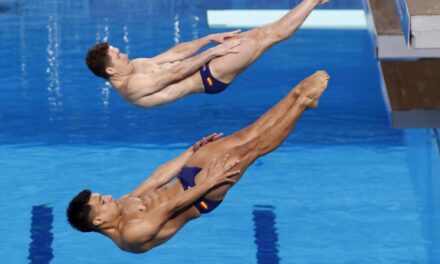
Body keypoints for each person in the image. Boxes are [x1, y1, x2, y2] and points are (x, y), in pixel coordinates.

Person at [67, 71, 330, 253]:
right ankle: (303, 103)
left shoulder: (123, 203)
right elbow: (173, 206)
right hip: (200, 196)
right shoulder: (132, 237)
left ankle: (296, 94)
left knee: (245, 134)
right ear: (99, 222)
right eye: (102, 202)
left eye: (102, 196)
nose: (109, 197)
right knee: (252, 149)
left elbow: (156, 179)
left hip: (186, 178)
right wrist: (212, 181)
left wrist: (189, 152)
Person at [85, 0, 329, 108]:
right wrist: (214, 52)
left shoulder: (134, 66)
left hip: (205, 66)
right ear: (110, 70)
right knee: (269, 36)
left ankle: (313, 2)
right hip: (208, 76)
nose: (125, 55)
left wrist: (208, 39)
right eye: (118, 56)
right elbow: (178, 72)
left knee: (262, 33)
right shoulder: (132, 86)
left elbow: (174, 55)